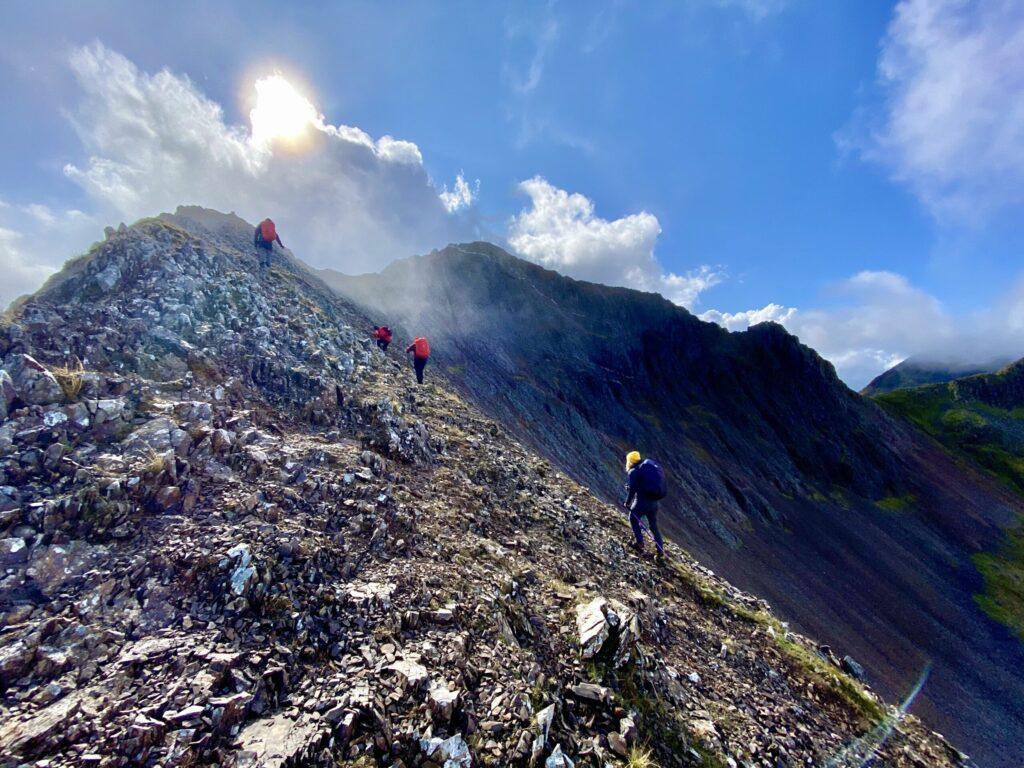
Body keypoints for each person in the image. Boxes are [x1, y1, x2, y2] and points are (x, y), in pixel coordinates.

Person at [624, 450, 667, 562]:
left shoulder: (633, 471)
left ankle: (639, 543)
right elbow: (640, 485)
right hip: (654, 502)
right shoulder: (645, 467)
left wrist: (628, 502)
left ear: (630, 461)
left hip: (642, 501)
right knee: (653, 526)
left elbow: (633, 489)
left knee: (633, 518)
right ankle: (660, 551)